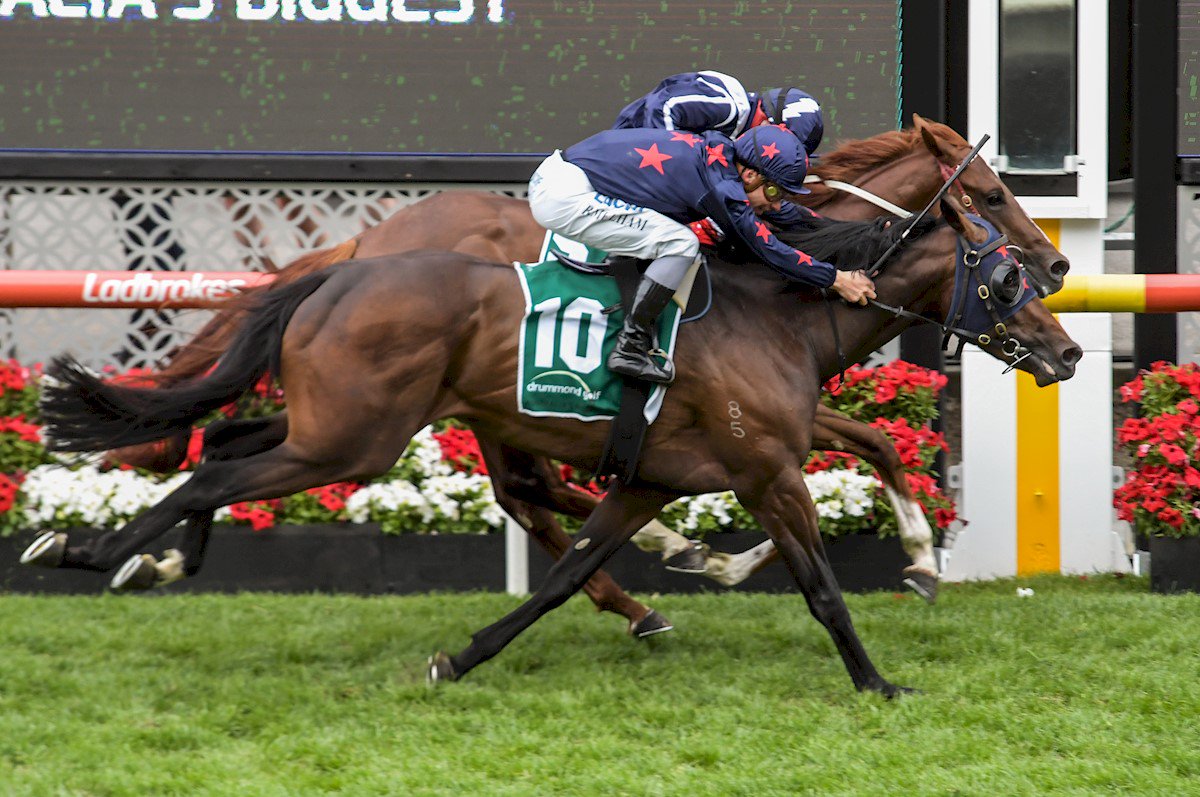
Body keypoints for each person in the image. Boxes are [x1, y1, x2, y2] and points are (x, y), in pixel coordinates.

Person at [527, 123, 876, 385]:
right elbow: (768, 248)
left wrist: (859, 232)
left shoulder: (727, 162)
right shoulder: (723, 188)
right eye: (773, 190)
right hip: (563, 196)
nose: (775, 201)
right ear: (751, 175)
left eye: (782, 193)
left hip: (567, 177)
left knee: (673, 237)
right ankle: (630, 347)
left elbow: (782, 214)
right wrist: (835, 279)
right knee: (681, 244)